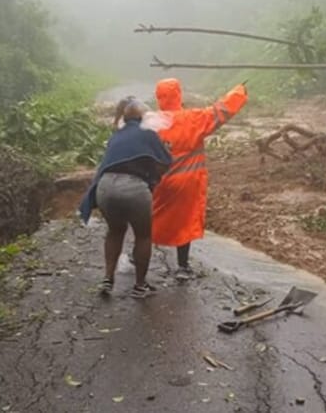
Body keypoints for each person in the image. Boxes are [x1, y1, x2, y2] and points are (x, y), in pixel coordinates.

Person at [152, 78, 248, 280]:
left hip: (160, 183)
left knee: (151, 219)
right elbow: (220, 112)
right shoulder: (193, 118)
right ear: (179, 95)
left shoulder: (151, 124)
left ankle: (138, 258)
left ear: (158, 97)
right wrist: (239, 91)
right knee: (184, 222)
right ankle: (182, 267)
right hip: (188, 182)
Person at [78, 97, 172, 298]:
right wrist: (154, 175)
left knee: (115, 231)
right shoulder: (148, 133)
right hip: (133, 188)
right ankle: (139, 286)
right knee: (143, 235)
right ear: (142, 117)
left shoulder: (117, 135)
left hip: (105, 187)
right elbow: (165, 162)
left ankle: (108, 279)